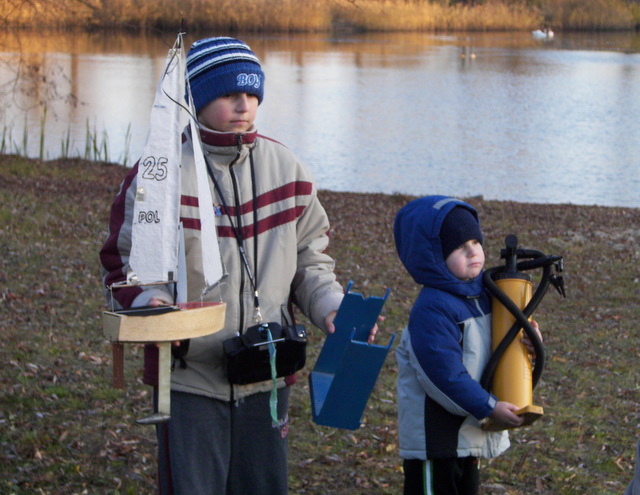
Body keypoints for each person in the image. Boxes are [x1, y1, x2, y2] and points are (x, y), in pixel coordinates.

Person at [100, 36, 376, 495]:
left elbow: (310, 260)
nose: (243, 105)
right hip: (188, 378)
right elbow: (125, 262)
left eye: (251, 94)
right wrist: (151, 303)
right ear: (198, 99)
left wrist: (331, 305)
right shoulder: (160, 174)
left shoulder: (288, 170)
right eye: (229, 94)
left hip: (267, 371)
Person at [393, 195, 540, 495]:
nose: (473, 251)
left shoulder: (487, 296)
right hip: (437, 443)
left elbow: (500, 349)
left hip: (468, 436)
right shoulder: (433, 309)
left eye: (476, 242)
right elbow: (443, 376)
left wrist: (530, 340)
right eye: (460, 247)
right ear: (434, 256)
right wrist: (489, 407)